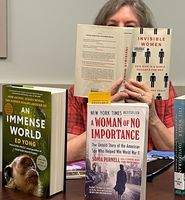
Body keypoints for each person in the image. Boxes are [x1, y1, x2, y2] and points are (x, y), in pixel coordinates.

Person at [67, 0, 176, 162]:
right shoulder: (80, 91)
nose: (121, 31)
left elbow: (175, 149)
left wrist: (152, 116)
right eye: (112, 26)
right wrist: (101, 117)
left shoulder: (162, 87)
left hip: (151, 181)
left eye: (130, 27)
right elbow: (67, 154)